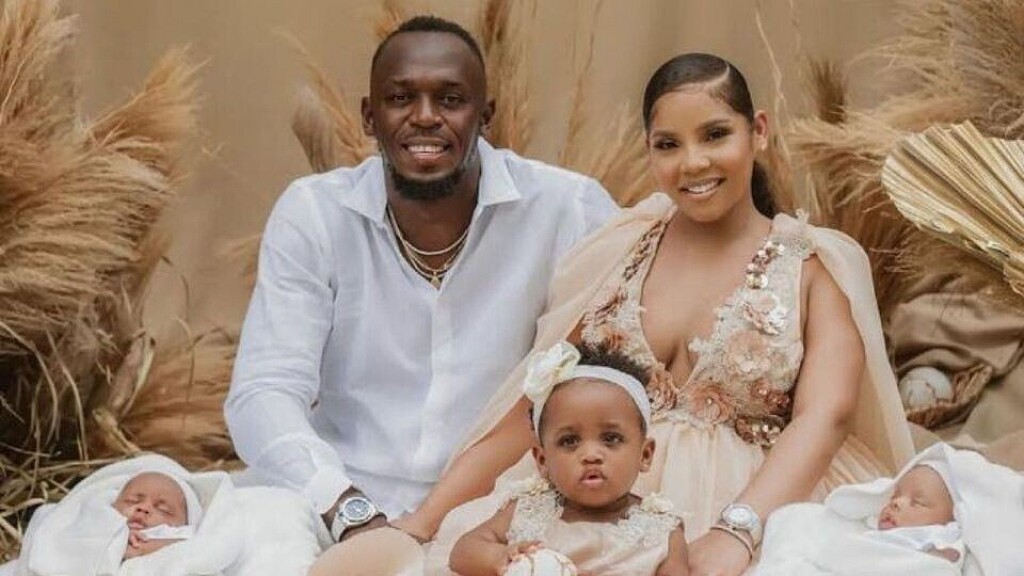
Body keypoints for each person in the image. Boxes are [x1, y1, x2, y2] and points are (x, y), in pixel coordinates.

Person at [376, 52, 914, 576]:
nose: (693, 162)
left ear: (759, 131)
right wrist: (425, 519)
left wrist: (737, 531)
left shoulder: (811, 264)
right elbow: (536, 408)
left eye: (715, 135)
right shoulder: (621, 251)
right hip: (599, 503)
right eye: (668, 144)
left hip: (761, 503)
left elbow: (826, 415)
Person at [225, 13, 617, 551]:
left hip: (501, 510)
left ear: (486, 116)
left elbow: (614, 374)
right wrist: (346, 508)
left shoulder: (569, 209)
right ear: (370, 116)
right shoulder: (314, 212)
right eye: (400, 98)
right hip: (333, 498)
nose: (426, 117)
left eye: (450, 99)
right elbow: (263, 391)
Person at [444, 341, 688, 575]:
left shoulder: (662, 531)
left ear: (645, 454)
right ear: (542, 461)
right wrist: (502, 558)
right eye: (569, 441)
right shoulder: (530, 509)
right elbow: (462, 553)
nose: (590, 455)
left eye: (611, 438)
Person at [113, 472, 202, 560]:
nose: (144, 508)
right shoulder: (107, 519)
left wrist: (144, 548)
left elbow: (195, 545)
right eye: (133, 500)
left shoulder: (183, 535)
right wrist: (117, 537)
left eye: (163, 509)